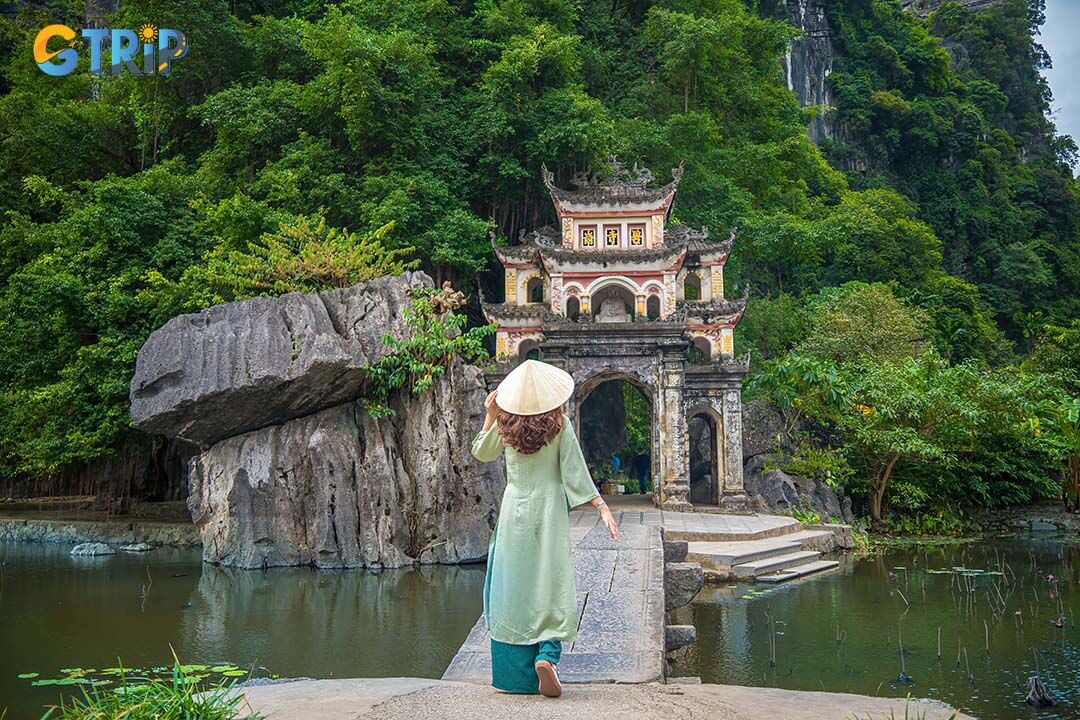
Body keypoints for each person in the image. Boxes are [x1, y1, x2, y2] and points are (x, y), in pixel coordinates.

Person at [471, 360, 620, 698]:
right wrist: (601, 505)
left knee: (513, 586)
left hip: (514, 511)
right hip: (549, 510)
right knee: (549, 580)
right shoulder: (559, 424)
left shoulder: (505, 425)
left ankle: (516, 679)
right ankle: (548, 656)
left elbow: (481, 452)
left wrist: (491, 415)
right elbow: (574, 470)